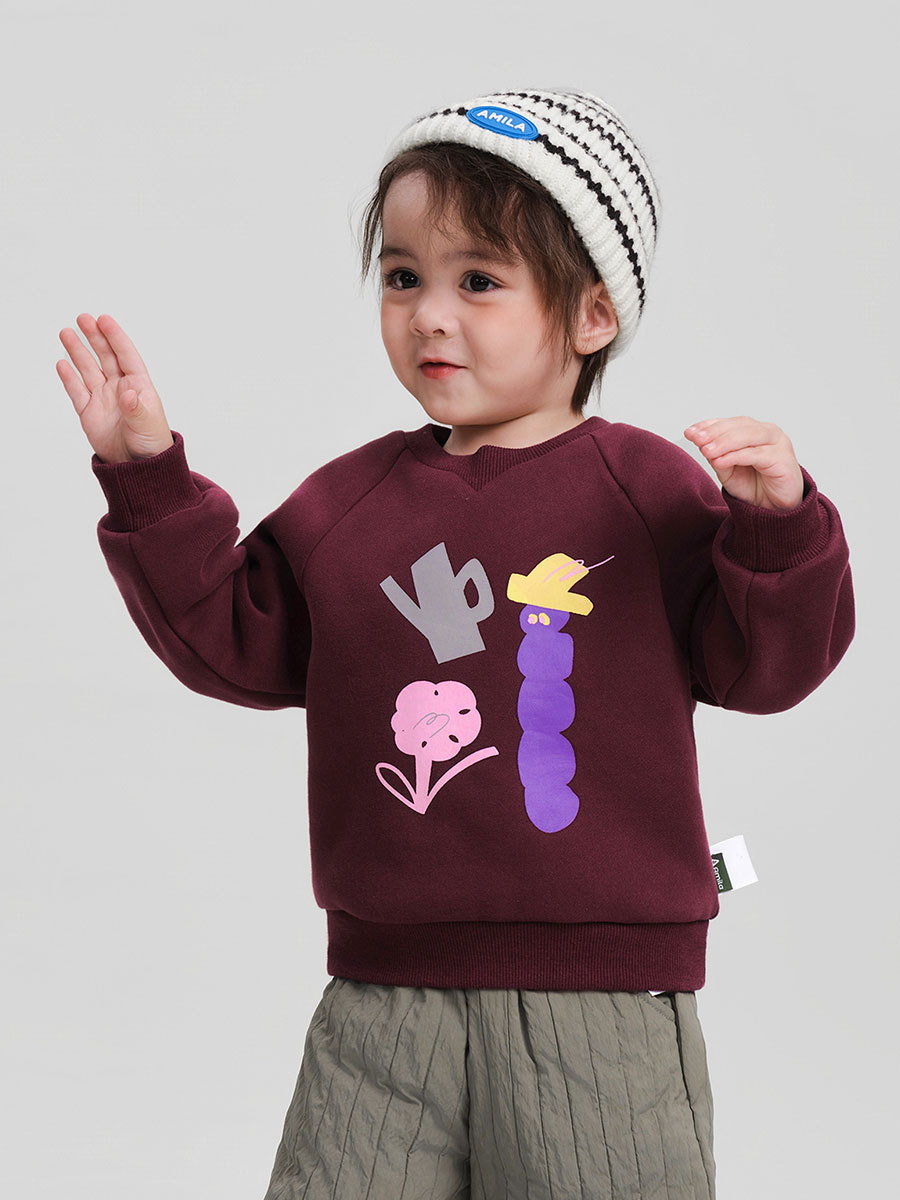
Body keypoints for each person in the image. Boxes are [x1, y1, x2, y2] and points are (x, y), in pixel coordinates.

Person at [56, 87, 855, 1200]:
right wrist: (146, 475)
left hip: (602, 1010)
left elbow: (767, 670)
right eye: (402, 277)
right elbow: (230, 639)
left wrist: (778, 526)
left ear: (592, 313)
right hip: (383, 1002)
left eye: (478, 280)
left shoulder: (648, 492)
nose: (431, 315)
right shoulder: (350, 504)